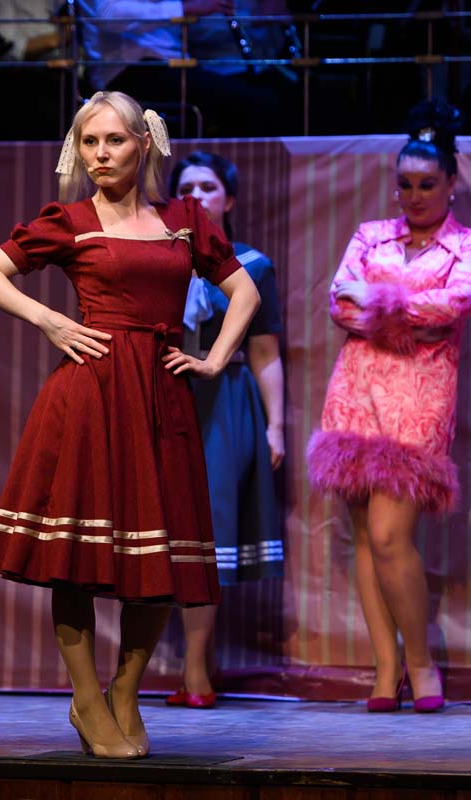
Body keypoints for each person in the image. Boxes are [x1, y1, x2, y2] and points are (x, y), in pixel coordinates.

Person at [0, 91, 259, 758]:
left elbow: (245, 290)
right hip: (90, 397)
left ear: (143, 144)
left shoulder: (183, 220)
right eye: (89, 141)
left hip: (159, 397)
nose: (100, 154)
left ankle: (125, 691)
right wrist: (49, 319)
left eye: (114, 140)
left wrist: (215, 359)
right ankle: (87, 699)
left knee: (158, 556)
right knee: (75, 557)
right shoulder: (70, 221)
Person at [306, 99, 471, 713]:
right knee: (365, 536)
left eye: (427, 184)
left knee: (391, 536)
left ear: (451, 183)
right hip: (356, 392)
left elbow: (456, 303)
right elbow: (340, 306)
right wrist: (402, 311)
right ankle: (385, 668)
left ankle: (420, 661)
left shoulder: (470, 244)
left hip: (420, 397)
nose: (414, 196)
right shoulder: (371, 235)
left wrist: (376, 299)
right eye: (405, 185)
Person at [164, 151, 284, 709]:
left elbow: (265, 353)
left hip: (226, 401)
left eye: (208, 187)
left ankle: (195, 670)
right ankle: (197, 665)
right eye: (186, 187)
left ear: (228, 199)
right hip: (167, 397)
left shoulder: (252, 266)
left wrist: (276, 425)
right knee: (169, 528)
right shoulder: (156, 260)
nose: (198, 196)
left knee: (207, 529)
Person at [77, 0, 288, 137]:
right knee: (259, 103)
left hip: (167, 66)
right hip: (130, 69)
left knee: (271, 89)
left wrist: (255, 15)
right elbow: (109, 14)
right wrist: (184, 8)